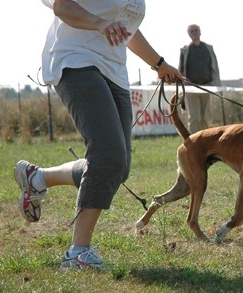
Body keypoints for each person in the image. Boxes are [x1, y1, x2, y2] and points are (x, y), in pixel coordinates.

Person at [14, 0, 183, 271]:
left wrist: (159, 63)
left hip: (115, 72)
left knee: (119, 166)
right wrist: (100, 23)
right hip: (76, 61)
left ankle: (38, 178)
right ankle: (77, 253)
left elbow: (128, 28)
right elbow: (62, 7)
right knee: (108, 156)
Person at [178, 24, 221, 133]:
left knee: (204, 117)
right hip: (190, 88)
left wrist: (215, 83)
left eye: (196, 30)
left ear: (200, 32)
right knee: (194, 117)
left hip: (206, 86)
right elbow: (180, 70)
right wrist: (183, 83)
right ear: (189, 34)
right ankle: (193, 142)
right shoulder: (185, 50)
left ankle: (206, 142)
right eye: (192, 31)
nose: (195, 32)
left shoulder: (208, 48)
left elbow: (214, 67)